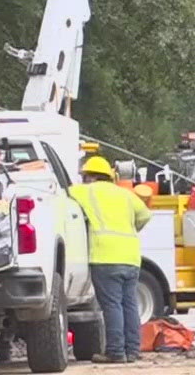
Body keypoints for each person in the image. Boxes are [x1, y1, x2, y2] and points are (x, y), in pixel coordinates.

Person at [70, 155, 153, 364]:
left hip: (105, 256)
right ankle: (132, 351)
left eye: (84, 176)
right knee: (129, 304)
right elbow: (145, 215)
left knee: (112, 305)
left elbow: (65, 194)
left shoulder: (85, 191)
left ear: (90, 176)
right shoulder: (126, 194)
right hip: (131, 256)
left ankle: (115, 352)